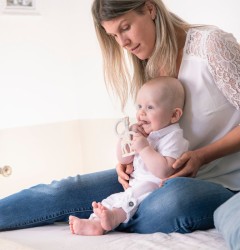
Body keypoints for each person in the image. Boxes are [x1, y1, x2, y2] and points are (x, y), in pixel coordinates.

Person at [0, 0, 240, 235]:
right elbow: (152, 129)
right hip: (155, 176)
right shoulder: (149, 61)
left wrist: (201, 156)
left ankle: (111, 218)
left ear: (150, 8)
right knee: (64, 191)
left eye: (125, 27)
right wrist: (129, 160)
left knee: (174, 201)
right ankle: (113, 215)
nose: (123, 42)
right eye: (114, 36)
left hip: (225, 182)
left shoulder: (211, 45)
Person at [69, 76, 189, 235]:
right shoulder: (146, 134)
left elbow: (164, 171)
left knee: (132, 198)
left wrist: (145, 148)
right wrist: (126, 137)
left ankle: (112, 219)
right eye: (139, 106)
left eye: (150, 107)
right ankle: (96, 223)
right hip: (134, 188)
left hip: (154, 189)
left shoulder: (174, 137)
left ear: (174, 115)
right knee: (112, 201)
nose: (141, 113)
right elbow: (124, 159)